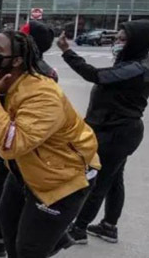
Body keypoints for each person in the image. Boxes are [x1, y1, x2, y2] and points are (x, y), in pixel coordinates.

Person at [0, 30, 100, 258]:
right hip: (27, 170)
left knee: (30, 248)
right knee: (6, 219)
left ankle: (52, 235)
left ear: (18, 60)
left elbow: (11, 146)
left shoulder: (42, 93)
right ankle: (54, 236)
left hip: (63, 178)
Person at [0, 20, 57, 257]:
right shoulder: (1, 73)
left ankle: (45, 237)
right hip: (14, 159)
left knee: (27, 241)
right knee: (7, 212)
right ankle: (5, 238)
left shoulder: (40, 84)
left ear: (19, 57)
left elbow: (13, 141)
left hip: (41, 166)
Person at [59, 20, 149, 245]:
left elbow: (98, 76)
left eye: (122, 39)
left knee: (98, 180)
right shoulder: (131, 62)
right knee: (113, 179)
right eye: (117, 38)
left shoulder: (139, 67)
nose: (117, 43)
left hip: (117, 132)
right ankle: (109, 226)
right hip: (114, 129)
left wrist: (68, 52)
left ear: (137, 41)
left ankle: (79, 228)